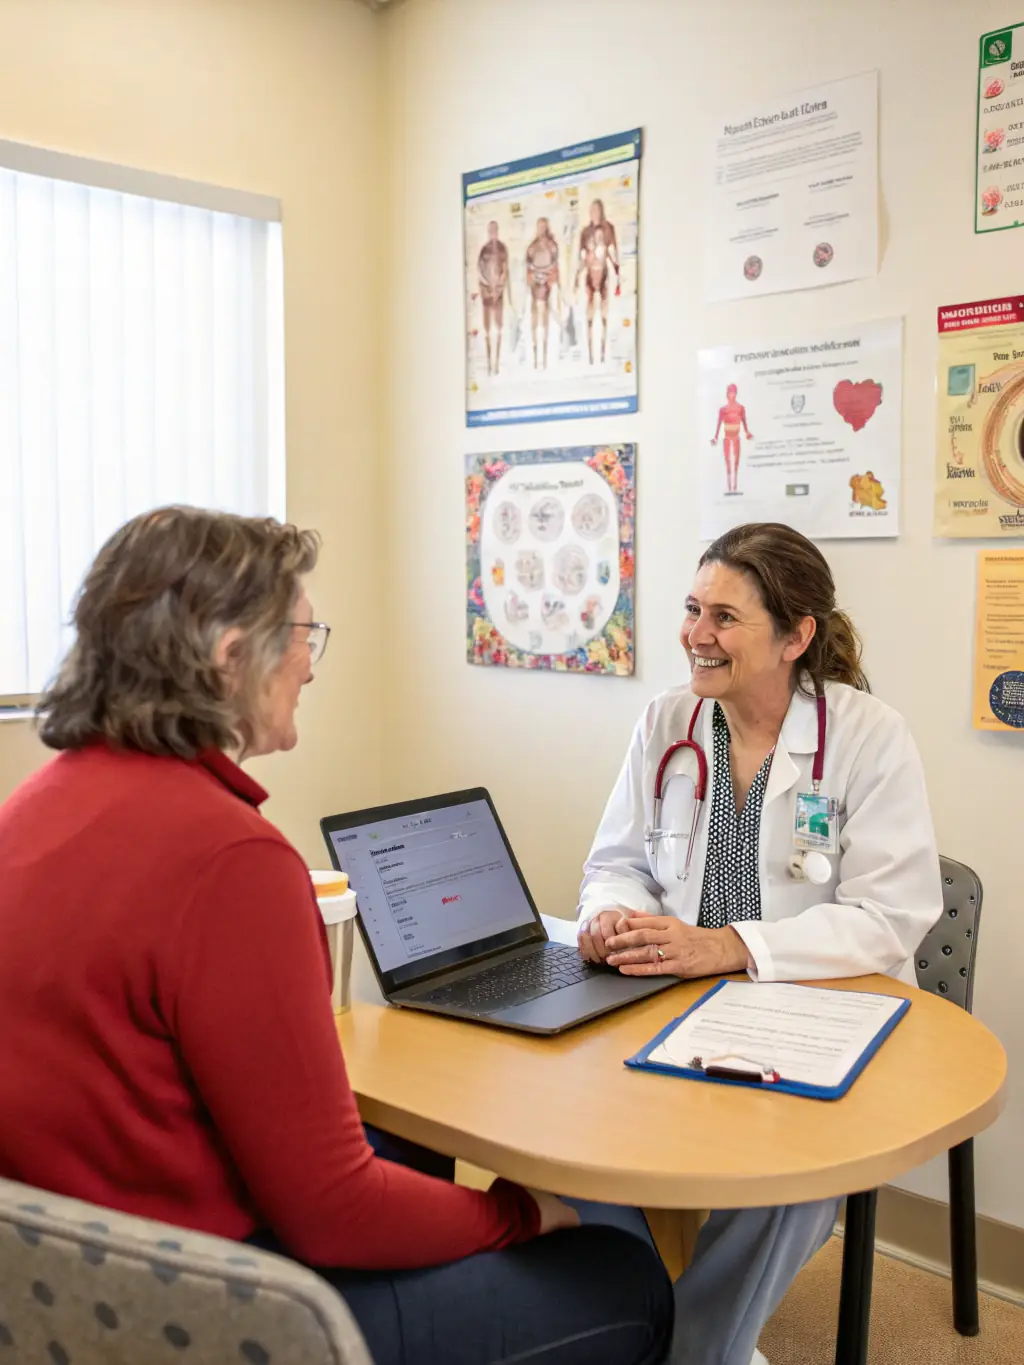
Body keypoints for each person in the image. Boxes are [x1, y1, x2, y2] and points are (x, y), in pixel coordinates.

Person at [0, 507, 673, 1365]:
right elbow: (332, 1210)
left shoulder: (33, 806)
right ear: (227, 654)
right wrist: (521, 1212)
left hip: (61, 1282)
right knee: (620, 1264)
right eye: (300, 632)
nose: (310, 664)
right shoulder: (231, 859)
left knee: (421, 1142)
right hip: (221, 1308)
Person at [577, 522, 943, 1365]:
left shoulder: (867, 735)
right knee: (578, 1132)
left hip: (822, 1008)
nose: (695, 635)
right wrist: (610, 913)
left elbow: (892, 914)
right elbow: (616, 862)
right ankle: (622, 1319)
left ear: (796, 635)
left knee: (793, 1182)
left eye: (725, 617)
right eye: (692, 608)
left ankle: (692, 1349)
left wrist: (730, 946)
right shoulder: (668, 720)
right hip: (673, 1001)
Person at [576, 199, 621, 364]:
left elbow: (613, 253)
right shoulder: (585, 232)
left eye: (596, 210)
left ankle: (602, 353)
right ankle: (589, 356)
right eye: (591, 210)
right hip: (589, 276)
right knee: (588, 317)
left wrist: (618, 278)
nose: (594, 213)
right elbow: (581, 257)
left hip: (604, 276)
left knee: (604, 317)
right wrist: (577, 277)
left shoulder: (608, 229)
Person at [525, 216, 560, 369]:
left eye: (543, 227)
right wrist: (532, 277)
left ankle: (544, 357)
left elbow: (555, 268)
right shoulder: (531, 248)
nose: (541, 230)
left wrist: (550, 278)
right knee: (534, 319)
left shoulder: (552, 246)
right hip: (535, 284)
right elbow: (528, 268)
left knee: (544, 319)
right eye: (539, 227)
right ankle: (534, 356)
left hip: (546, 285)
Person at [477, 219, 510, 375]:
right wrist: (487, 288)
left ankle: (496, 364)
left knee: (499, 327)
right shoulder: (484, 250)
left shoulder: (503, 249)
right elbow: (479, 271)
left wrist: (498, 288)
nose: (492, 233)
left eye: (494, 230)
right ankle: (489, 363)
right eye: (490, 230)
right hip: (486, 293)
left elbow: (505, 271)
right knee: (487, 329)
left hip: (499, 293)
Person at [710, 384, 753, 495]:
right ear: (727, 394)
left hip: (736, 437)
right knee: (728, 462)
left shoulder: (740, 408)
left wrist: (747, 432)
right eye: (729, 393)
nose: (731, 395)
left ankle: (735, 487)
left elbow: (744, 421)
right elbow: (719, 423)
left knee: (736, 462)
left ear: (736, 394)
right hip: (727, 438)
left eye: (733, 392)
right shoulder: (723, 410)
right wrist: (715, 437)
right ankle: (729, 488)